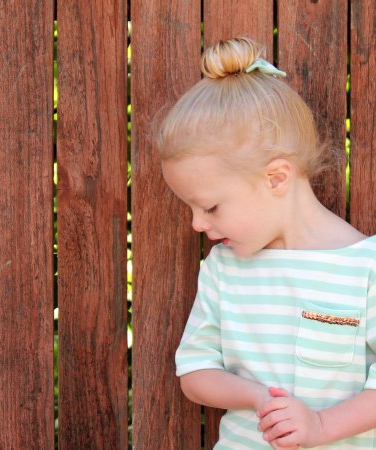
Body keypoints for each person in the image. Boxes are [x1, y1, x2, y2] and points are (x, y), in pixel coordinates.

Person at [156, 37, 376, 449]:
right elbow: (195, 371)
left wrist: (322, 427)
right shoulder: (224, 269)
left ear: (276, 178)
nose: (196, 224)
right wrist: (258, 398)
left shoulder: (366, 267)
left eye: (210, 207)